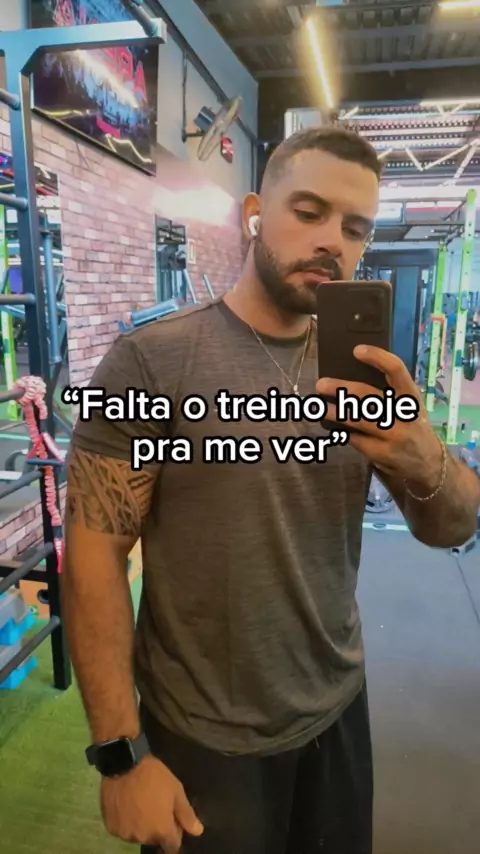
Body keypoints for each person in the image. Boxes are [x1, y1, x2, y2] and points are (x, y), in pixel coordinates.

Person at [62, 126, 480, 854]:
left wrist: (427, 459)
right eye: (309, 212)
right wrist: (120, 754)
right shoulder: (151, 362)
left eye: (355, 228)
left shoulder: (366, 371)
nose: (331, 241)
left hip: (337, 708)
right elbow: (94, 555)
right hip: (202, 735)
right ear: (255, 214)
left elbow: (451, 528)